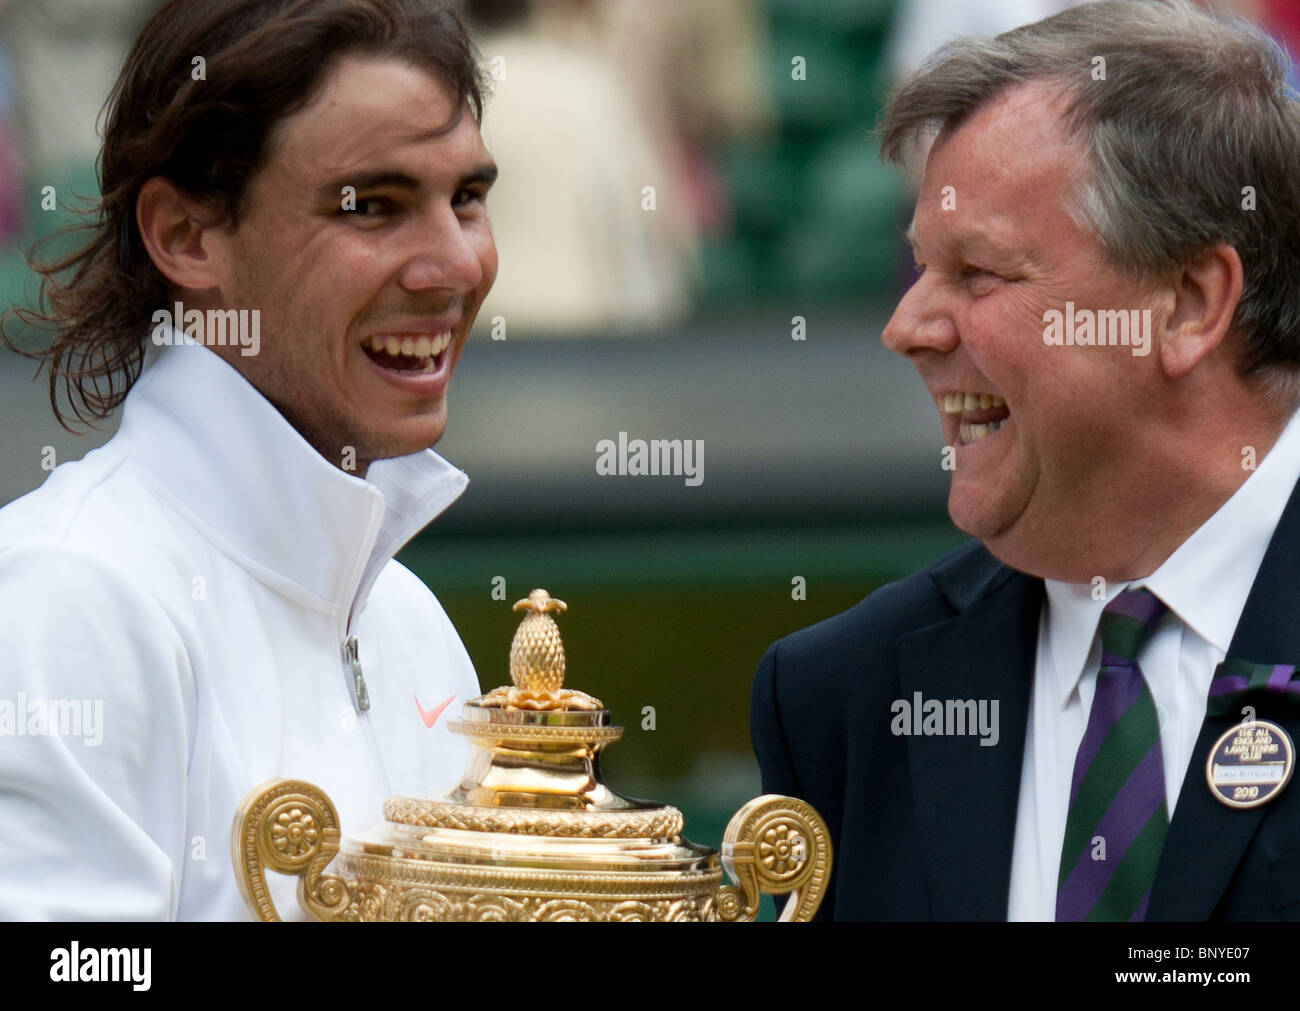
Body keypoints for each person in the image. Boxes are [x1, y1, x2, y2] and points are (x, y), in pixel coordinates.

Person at [751, 0, 1300, 921]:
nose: (907, 328)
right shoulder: (849, 695)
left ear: (1192, 303)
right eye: (919, 268)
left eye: (977, 273)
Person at [0, 0, 498, 919]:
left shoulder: (413, 624)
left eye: (466, 198)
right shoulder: (63, 594)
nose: (455, 264)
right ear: (186, 238)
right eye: (373, 207)